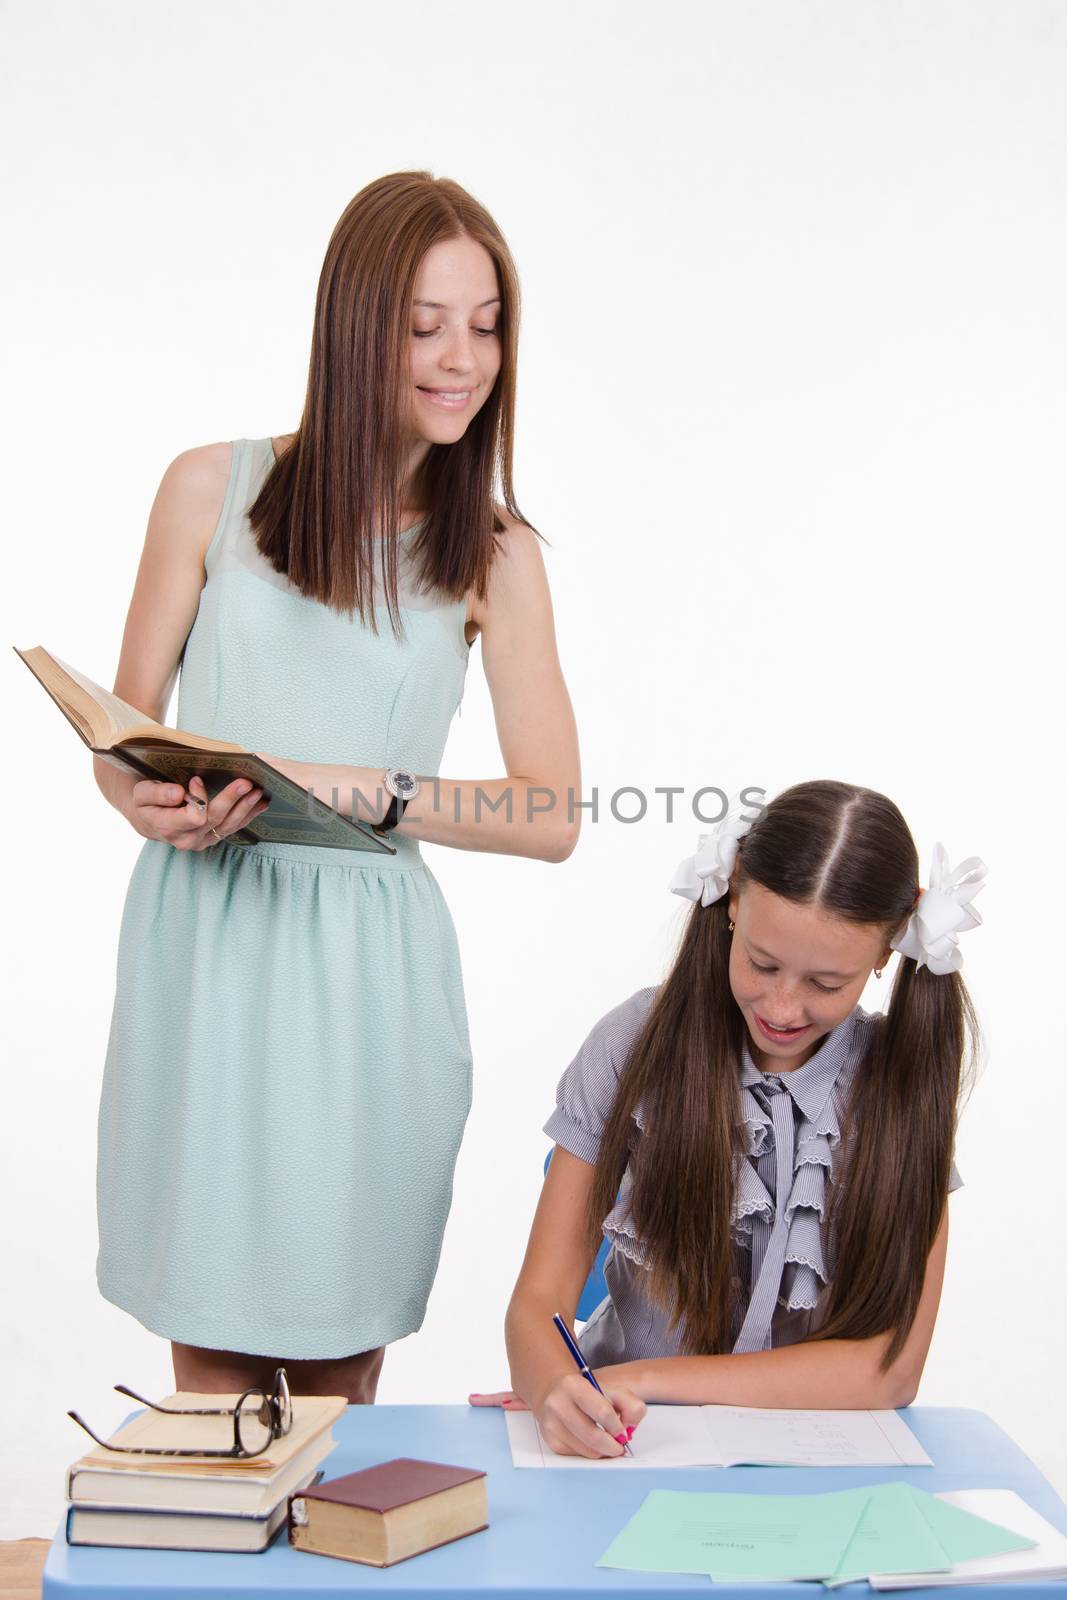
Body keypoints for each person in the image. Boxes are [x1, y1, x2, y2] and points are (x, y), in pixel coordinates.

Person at [92, 171, 580, 1403]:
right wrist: (139, 794)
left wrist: (343, 784)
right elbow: (122, 731)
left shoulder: (496, 552)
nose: (461, 357)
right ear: (354, 325)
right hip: (210, 939)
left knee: (330, 1382)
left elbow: (550, 812)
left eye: (485, 322)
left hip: (367, 972)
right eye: (424, 325)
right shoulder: (211, 486)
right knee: (208, 1356)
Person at [475, 781, 985, 1457]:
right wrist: (552, 1388)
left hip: (811, 1446)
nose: (781, 1005)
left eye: (826, 984)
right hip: (626, 1437)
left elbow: (887, 1370)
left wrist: (640, 1376)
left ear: (887, 952)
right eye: (762, 963)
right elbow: (537, 1300)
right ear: (731, 904)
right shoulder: (633, 1043)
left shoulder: (898, 1083)